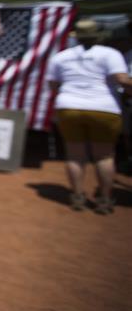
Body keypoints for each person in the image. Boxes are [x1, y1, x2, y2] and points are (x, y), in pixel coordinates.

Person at [46, 19, 132, 213]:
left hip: (69, 107)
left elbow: (53, 85)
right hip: (104, 108)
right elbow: (122, 80)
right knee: (104, 155)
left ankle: (77, 196)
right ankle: (104, 199)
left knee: (75, 155)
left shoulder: (61, 56)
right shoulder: (110, 54)